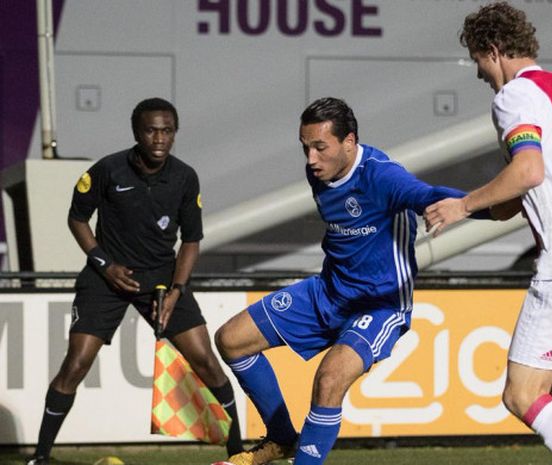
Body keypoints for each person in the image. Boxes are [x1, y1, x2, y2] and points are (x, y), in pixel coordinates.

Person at [424, 3, 552, 464]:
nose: (480, 74)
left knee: (521, 396)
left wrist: (463, 205)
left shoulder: (514, 96)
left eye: (479, 61)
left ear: (494, 50)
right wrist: (534, 201)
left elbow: (529, 170)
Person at [214, 97, 469, 465]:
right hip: (329, 292)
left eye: (320, 147)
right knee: (231, 340)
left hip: (380, 306)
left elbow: (427, 195)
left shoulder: (381, 175)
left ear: (349, 142)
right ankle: (282, 439)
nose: (311, 159)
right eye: (305, 148)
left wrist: (482, 203)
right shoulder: (318, 172)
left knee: (329, 379)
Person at [26, 98, 242, 465]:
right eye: (152, 130)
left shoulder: (185, 177)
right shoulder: (108, 170)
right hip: (105, 279)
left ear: (175, 133)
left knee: (206, 361)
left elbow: (191, 240)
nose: (160, 138)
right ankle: (40, 457)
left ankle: (239, 454)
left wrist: (177, 290)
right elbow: (77, 218)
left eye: (168, 131)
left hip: (162, 281)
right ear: (137, 132)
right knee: (75, 365)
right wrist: (104, 264)